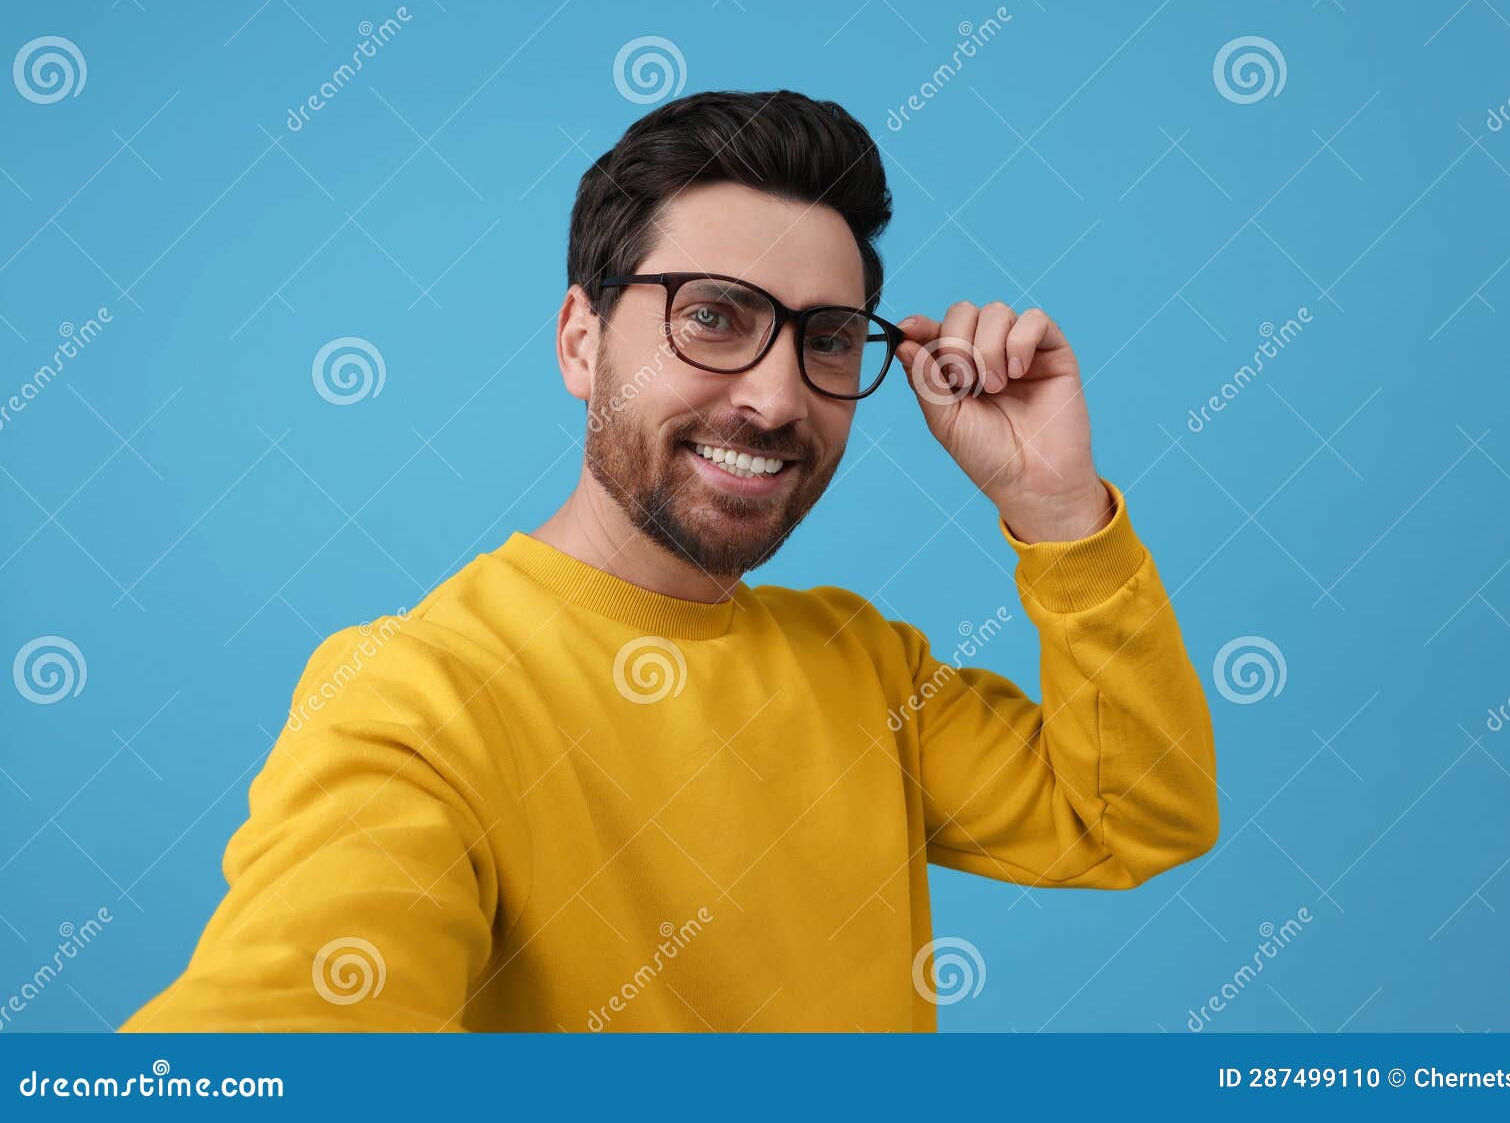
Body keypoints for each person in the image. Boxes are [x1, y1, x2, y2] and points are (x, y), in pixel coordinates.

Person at [120, 89, 1218, 1033]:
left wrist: (1055, 505)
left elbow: (1129, 814)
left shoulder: (862, 663)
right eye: (712, 316)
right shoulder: (416, 698)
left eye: (827, 336)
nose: (778, 396)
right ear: (580, 342)